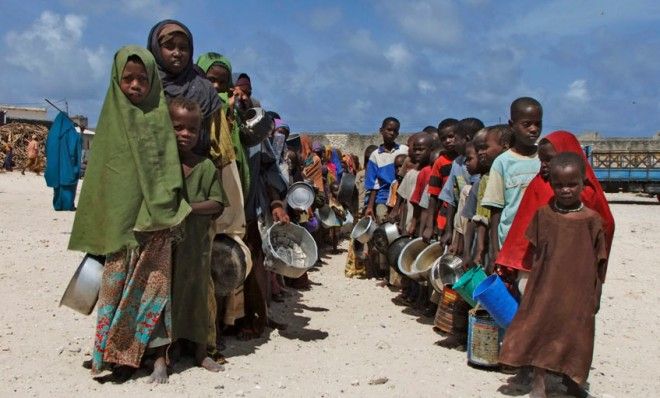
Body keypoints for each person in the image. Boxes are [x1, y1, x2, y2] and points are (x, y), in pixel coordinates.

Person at [68, 46, 191, 382]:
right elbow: (102, 180)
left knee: (153, 293)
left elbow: (167, 173)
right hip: (121, 230)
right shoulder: (110, 123)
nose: (135, 85)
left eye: (143, 79)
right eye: (128, 79)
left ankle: (153, 357)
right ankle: (114, 357)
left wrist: (162, 210)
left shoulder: (159, 119)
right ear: (116, 80)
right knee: (115, 291)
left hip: (156, 226)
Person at [499, 152, 609, 398]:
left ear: (583, 183)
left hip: (579, 289)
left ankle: (573, 382)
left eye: (572, 184)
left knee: (578, 335)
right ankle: (540, 382)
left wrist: (596, 293)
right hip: (547, 285)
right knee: (542, 328)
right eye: (559, 185)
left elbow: (600, 260)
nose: (566, 190)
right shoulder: (544, 215)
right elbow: (534, 251)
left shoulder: (592, 220)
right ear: (551, 185)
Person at [496, 130, 615, 277]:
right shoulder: (538, 184)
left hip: (575, 267)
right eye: (542, 160)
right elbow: (523, 229)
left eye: (550, 160)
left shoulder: (586, 192)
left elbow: (605, 225)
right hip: (537, 266)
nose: (544, 165)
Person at [168, 97, 226, 373]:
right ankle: (172, 346)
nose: (185, 134)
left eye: (191, 130)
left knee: (200, 297)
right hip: (168, 248)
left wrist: (189, 209)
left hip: (198, 247)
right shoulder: (163, 167)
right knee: (171, 296)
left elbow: (218, 203)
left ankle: (202, 351)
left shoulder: (205, 168)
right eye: (178, 128)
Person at [482, 97, 542, 293]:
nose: (533, 129)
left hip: (541, 241)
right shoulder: (503, 163)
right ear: (512, 125)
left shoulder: (545, 158)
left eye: (537, 124)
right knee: (516, 294)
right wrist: (495, 252)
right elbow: (495, 210)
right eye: (526, 124)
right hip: (511, 243)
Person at [147, 20, 222, 157]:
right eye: (169, 46)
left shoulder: (205, 89)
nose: (177, 53)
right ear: (156, 48)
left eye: (183, 48)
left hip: (195, 172)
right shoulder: (145, 85)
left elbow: (220, 145)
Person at [364, 117, 408, 278]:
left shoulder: (404, 150)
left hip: (402, 195)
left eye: (395, 130)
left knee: (399, 230)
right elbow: (373, 184)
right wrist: (370, 206)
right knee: (384, 228)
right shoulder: (376, 155)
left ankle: (397, 271)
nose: (391, 133)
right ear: (381, 130)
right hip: (382, 197)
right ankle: (385, 268)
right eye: (388, 129)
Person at [44, 113, 81, 211]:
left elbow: (47, 149)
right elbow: (75, 147)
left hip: (55, 165)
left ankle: (58, 205)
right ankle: (68, 205)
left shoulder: (52, 133)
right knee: (68, 186)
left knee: (58, 186)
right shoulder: (71, 133)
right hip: (68, 164)